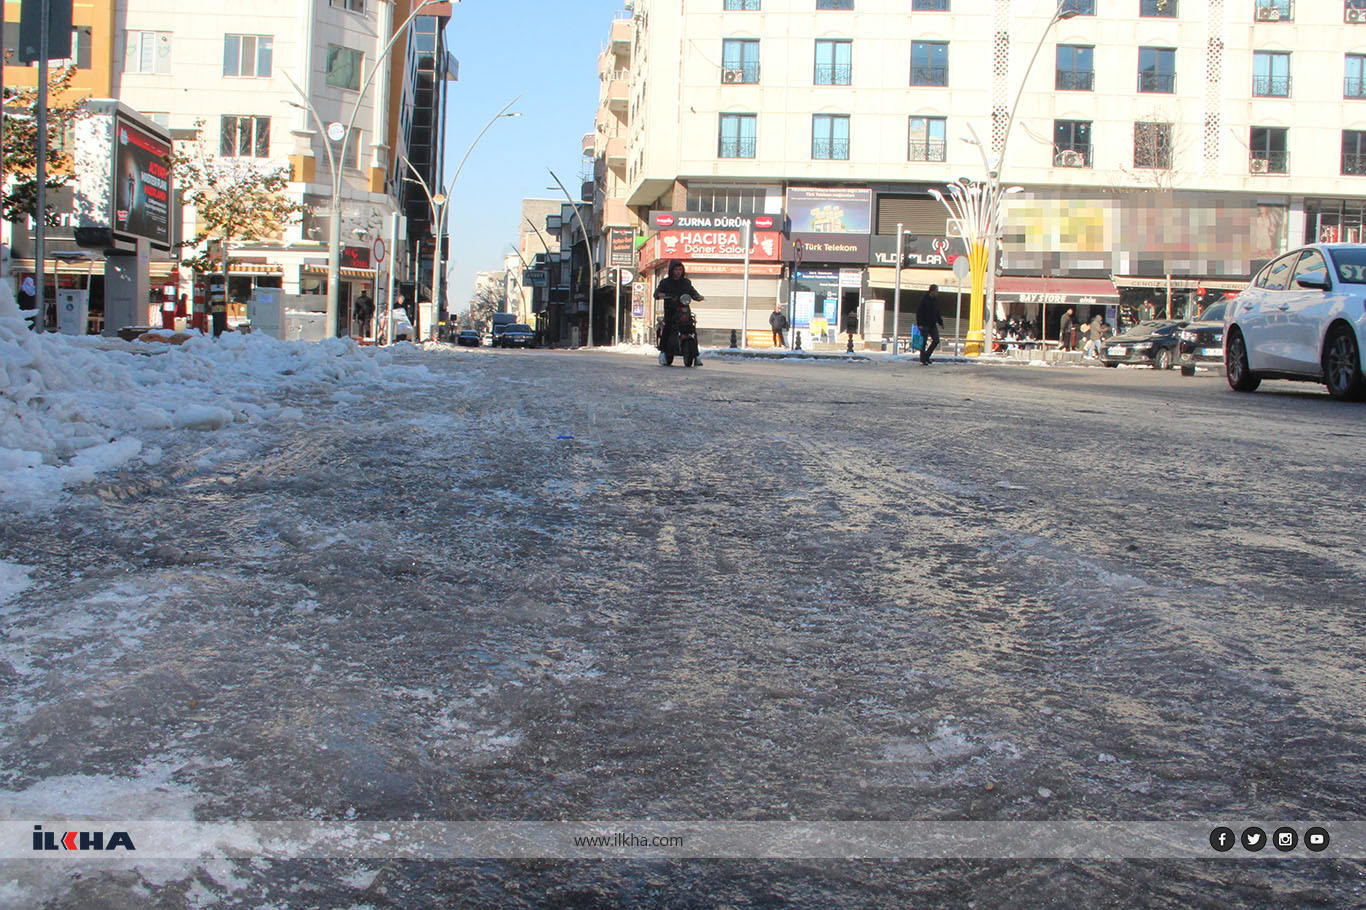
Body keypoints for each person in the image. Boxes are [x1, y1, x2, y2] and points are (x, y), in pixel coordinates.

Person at [653, 260, 704, 356]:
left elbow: (692, 292)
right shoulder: (665, 282)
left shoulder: (686, 282)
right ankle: (663, 350)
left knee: (692, 328)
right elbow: (657, 293)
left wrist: (698, 296)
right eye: (676, 269)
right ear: (671, 270)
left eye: (680, 269)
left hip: (684, 310)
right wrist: (665, 295)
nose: (678, 272)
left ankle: (696, 355)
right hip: (670, 310)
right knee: (668, 326)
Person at [915, 284, 944, 365]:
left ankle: (926, 356)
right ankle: (923, 359)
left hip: (932, 324)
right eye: (936, 291)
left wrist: (940, 322)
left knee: (936, 340)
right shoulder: (924, 299)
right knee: (923, 342)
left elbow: (937, 313)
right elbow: (919, 312)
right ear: (933, 291)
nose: (937, 292)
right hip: (924, 324)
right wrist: (919, 324)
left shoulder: (935, 300)